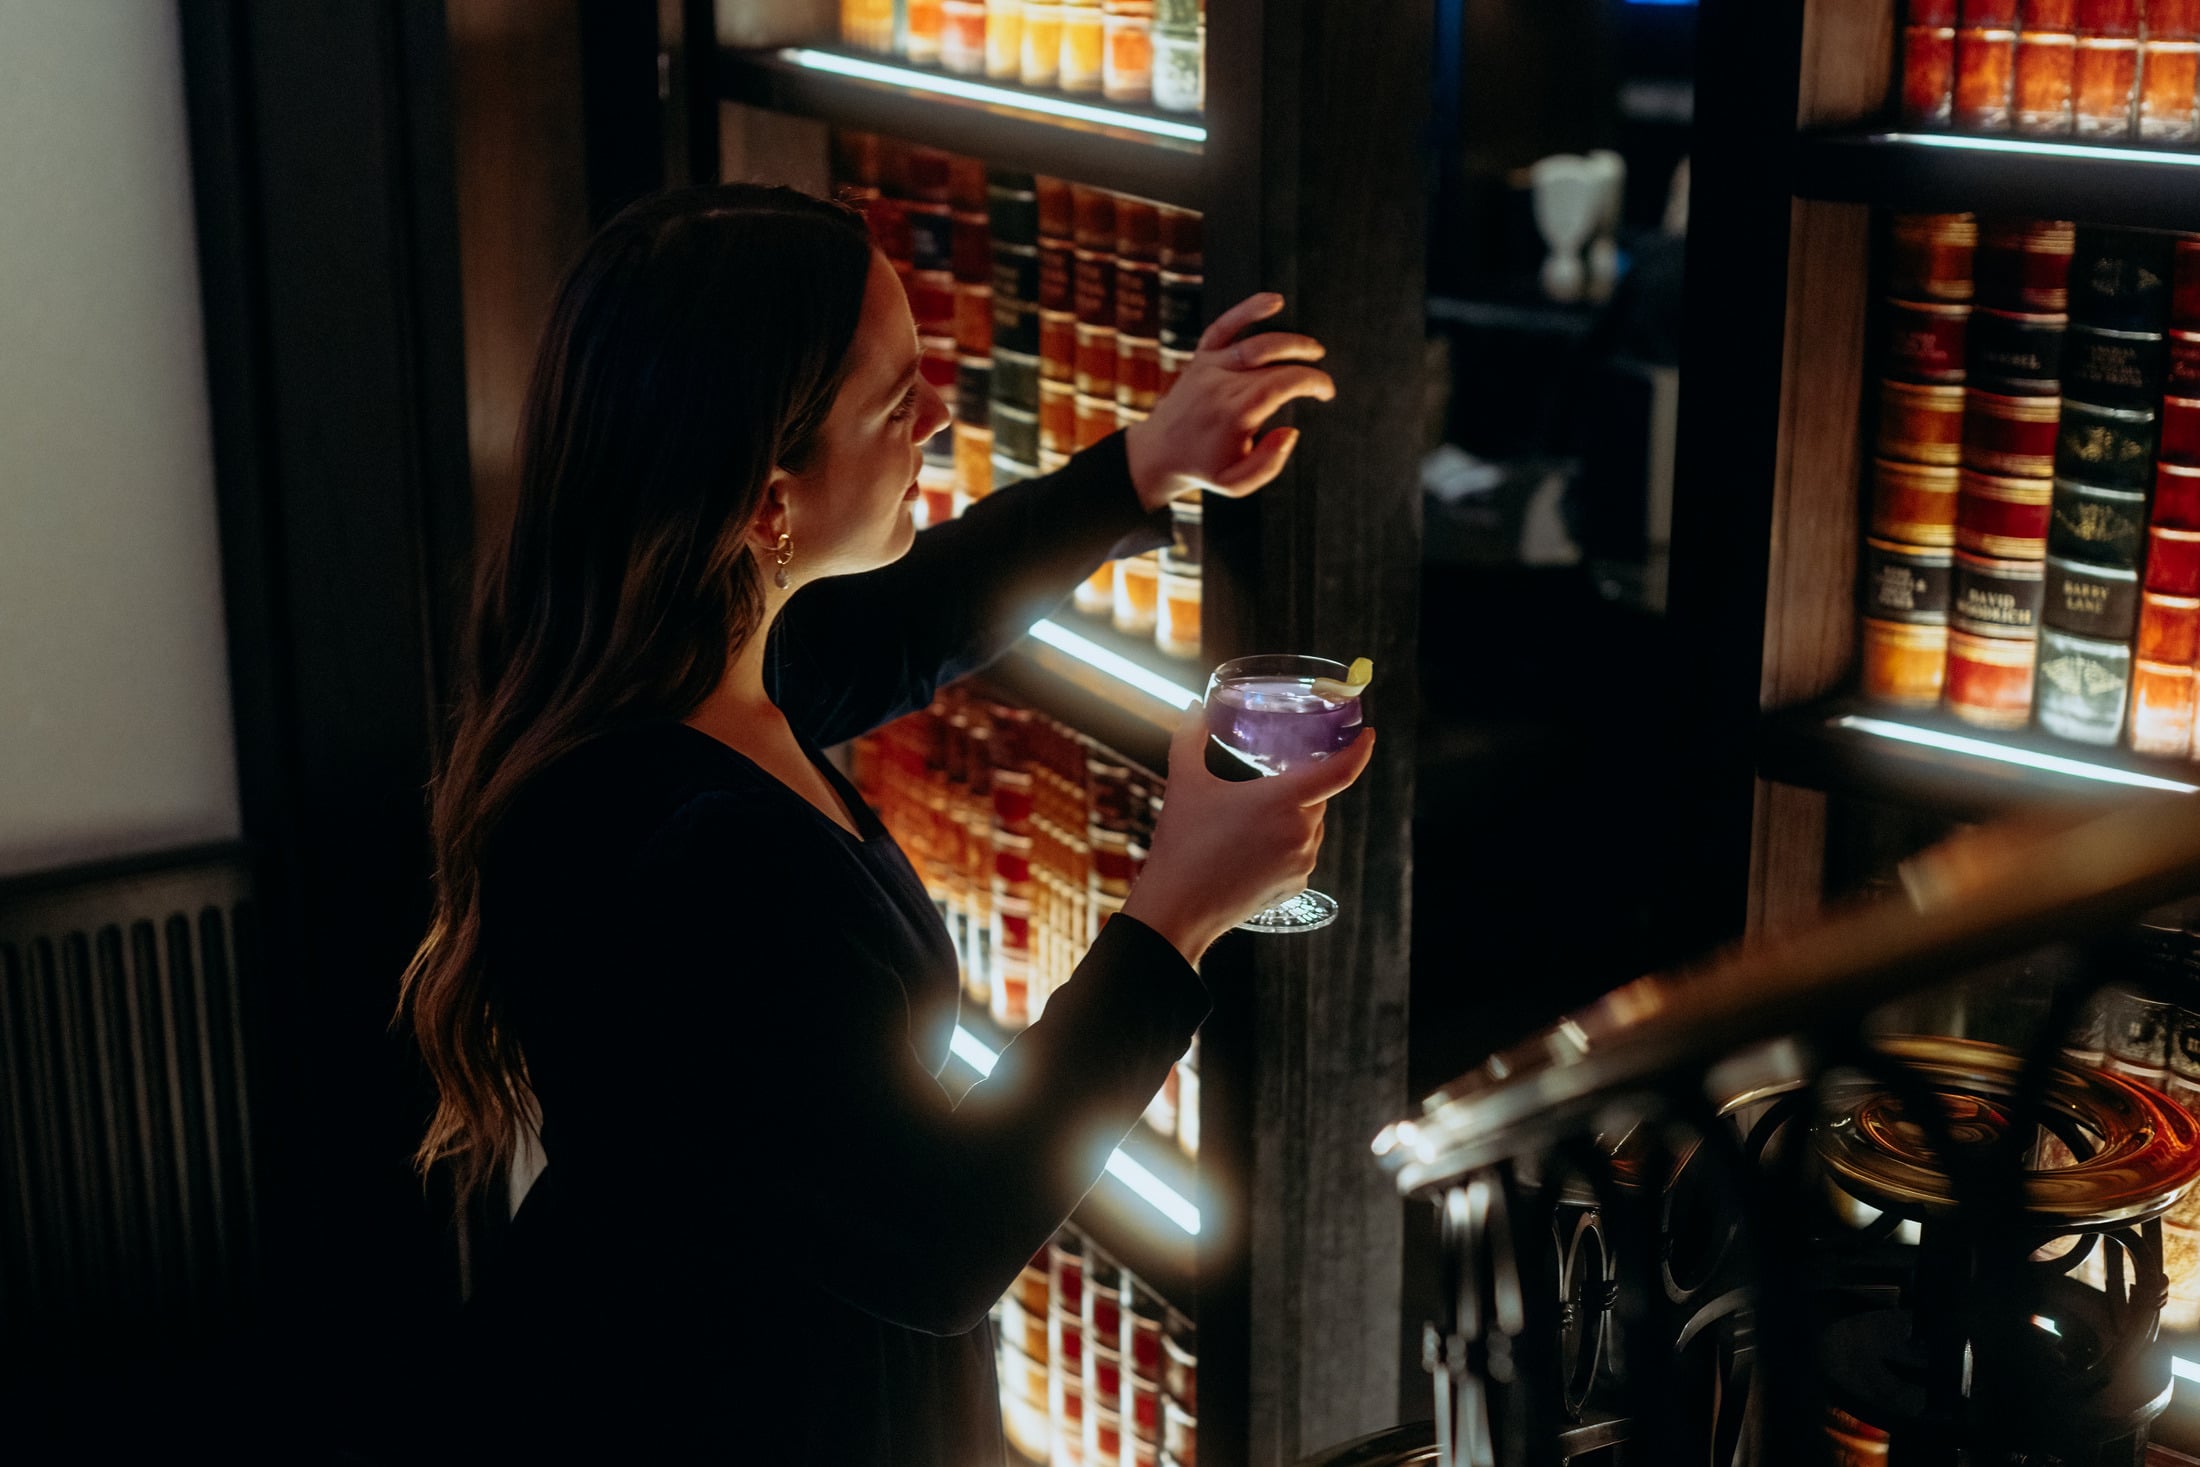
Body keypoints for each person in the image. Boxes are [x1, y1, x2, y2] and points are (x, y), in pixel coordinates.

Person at [397, 183, 1374, 1461]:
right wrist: (1173, 914)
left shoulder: (675, 665)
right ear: (765, 501)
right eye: (897, 401)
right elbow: (938, 1240)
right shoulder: (695, 844)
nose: (940, 417)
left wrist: (1147, 461)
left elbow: (915, 620)